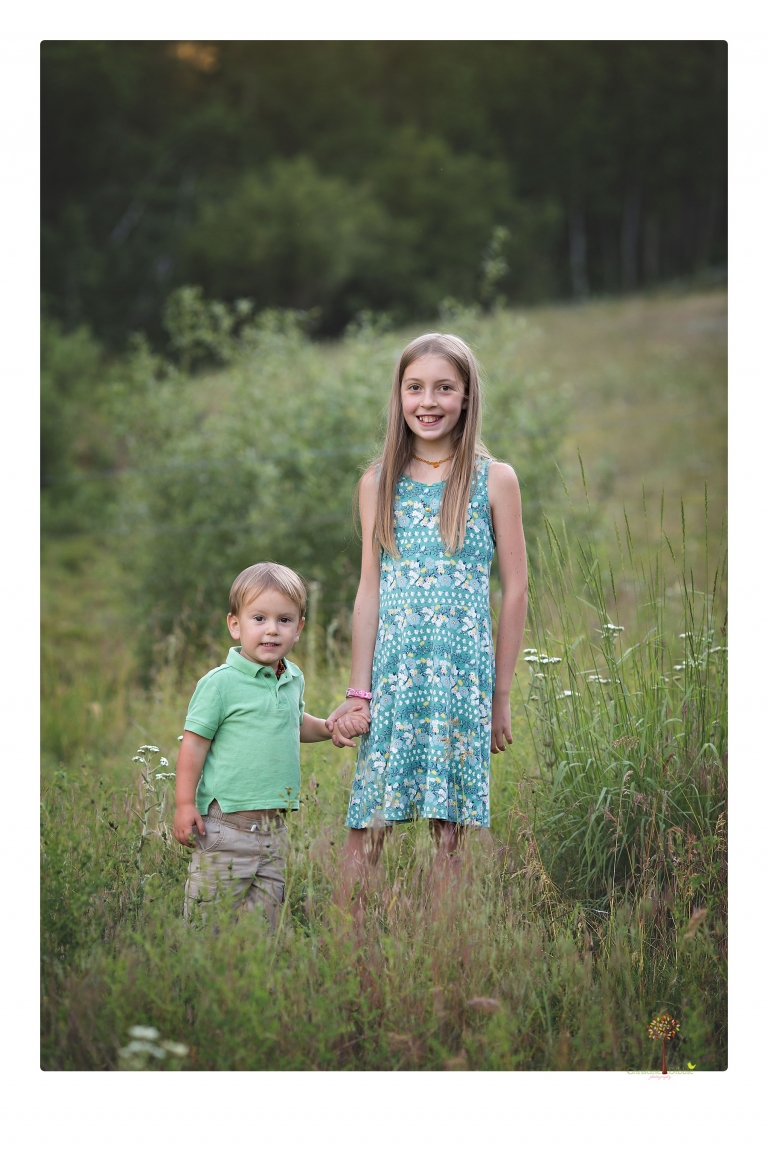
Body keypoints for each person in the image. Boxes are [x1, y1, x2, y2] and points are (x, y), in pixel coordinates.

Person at [326, 332, 528, 916]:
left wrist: (500, 696)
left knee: (451, 828)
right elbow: (369, 589)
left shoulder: (494, 479)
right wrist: (359, 691)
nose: (428, 401)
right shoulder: (378, 482)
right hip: (394, 675)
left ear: (466, 396)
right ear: (399, 395)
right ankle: (348, 942)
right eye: (415, 387)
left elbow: (515, 591)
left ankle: (444, 948)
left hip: (461, 678)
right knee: (369, 820)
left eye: (444, 388)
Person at [173, 561, 365, 928]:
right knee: (208, 925)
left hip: (274, 832)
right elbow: (193, 746)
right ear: (235, 625)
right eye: (259, 618)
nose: (272, 630)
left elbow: (295, 723)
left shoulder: (293, 678)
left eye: (284, 620)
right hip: (225, 827)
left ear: (299, 629)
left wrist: (329, 728)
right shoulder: (220, 684)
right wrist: (184, 804)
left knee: (264, 927)